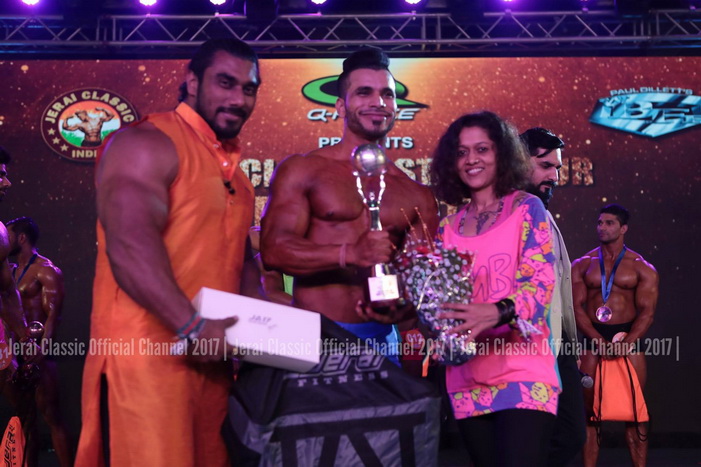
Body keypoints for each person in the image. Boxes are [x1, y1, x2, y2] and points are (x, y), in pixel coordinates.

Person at [75, 38, 262, 467]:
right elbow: (129, 245)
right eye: (225, 83)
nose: (238, 98)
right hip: (145, 365)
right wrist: (192, 324)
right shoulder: (145, 142)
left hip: (212, 364)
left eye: (249, 88)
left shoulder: (237, 177)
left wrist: (270, 328)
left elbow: (242, 263)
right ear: (192, 82)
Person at [260, 47, 438, 365]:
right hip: (314, 338)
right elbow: (274, 250)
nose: (378, 102)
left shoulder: (417, 194)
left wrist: (404, 304)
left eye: (387, 94)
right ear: (341, 106)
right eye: (364, 92)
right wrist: (349, 254)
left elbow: (420, 283)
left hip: (382, 343)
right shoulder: (304, 170)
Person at [431, 111, 559, 466]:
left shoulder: (528, 208)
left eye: (482, 149)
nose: (471, 159)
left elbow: (540, 284)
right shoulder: (447, 227)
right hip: (466, 377)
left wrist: (496, 311)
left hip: (524, 370)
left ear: (501, 153)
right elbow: (444, 304)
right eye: (461, 152)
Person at [572, 204, 658, 467]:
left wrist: (627, 343)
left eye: (609, 223)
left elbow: (647, 313)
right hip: (592, 340)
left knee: (635, 413)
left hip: (628, 340)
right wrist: (597, 340)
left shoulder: (642, 267)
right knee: (590, 414)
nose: (602, 227)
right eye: (600, 222)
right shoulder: (582, 264)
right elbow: (575, 308)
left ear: (623, 229)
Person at [521, 127, 586, 466]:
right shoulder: (503, 214)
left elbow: (560, 290)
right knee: (526, 439)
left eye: (558, 168)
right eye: (546, 165)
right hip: (522, 350)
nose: (555, 176)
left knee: (571, 434)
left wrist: (571, 348)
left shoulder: (544, 214)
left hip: (558, 349)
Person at [7, 217, 73, 467]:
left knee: (51, 416)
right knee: (26, 420)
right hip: (16, 354)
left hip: (39, 353)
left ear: (21, 238)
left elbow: (54, 315)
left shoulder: (45, 270)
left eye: (8, 236)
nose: (4, 241)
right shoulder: (10, 271)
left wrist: (42, 350)